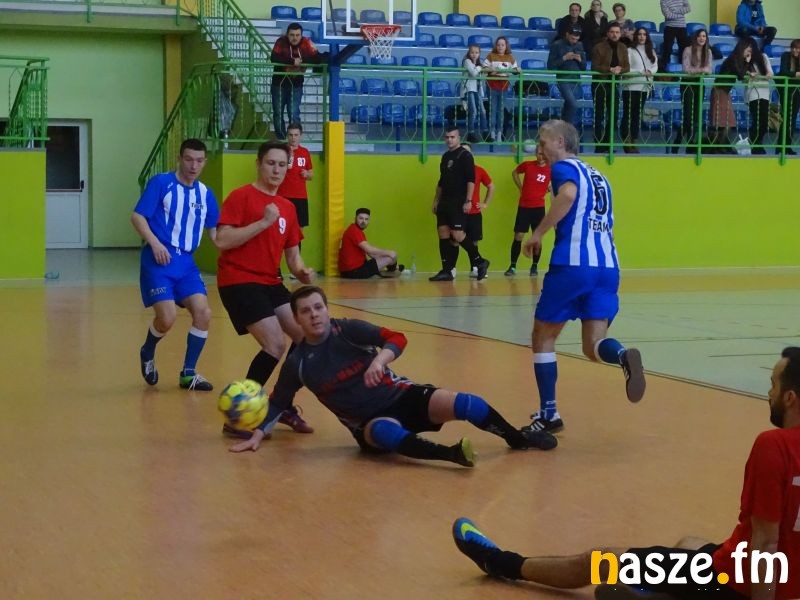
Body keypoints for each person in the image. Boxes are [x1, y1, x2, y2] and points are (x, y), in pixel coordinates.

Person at [453, 346, 800, 600]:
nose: (768, 392)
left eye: (773, 384)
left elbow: (765, 544)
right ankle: (658, 591)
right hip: (763, 574)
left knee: (598, 562)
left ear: (789, 398)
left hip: (732, 582)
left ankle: (501, 562)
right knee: (691, 543)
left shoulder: (775, 445)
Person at [227, 286, 558, 463]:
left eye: (318, 307)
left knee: (469, 404)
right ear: (297, 319)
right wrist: (258, 433)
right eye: (305, 311)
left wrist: (379, 361)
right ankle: (451, 455)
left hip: (401, 396)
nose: (314, 315)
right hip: (368, 423)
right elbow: (279, 401)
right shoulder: (298, 363)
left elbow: (396, 338)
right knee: (385, 432)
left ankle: (518, 439)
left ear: (327, 309)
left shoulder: (348, 330)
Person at [520, 120, 644, 433]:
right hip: (608, 268)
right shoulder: (599, 175)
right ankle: (622, 355)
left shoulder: (563, 168)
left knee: (543, 336)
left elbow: (568, 196)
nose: (539, 149)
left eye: (543, 142)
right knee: (593, 346)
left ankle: (549, 413)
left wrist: (538, 233)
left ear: (560, 142)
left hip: (573, 264)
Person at [215, 140, 316, 434]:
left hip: (271, 281)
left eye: (282, 165)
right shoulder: (241, 197)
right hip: (238, 280)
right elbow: (222, 240)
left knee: (307, 336)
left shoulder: (288, 207)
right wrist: (262, 222)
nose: (276, 170)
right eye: (271, 163)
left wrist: (302, 271)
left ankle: (281, 404)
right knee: (274, 345)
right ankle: (239, 418)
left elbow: (293, 257)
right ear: (258, 164)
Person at [132, 139, 220, 391]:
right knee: (167, 318)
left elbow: (216, 233)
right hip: (159, 260)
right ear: (179, 159)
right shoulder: (162, 183)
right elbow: (137, 216)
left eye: (199, 161)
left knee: (203, 313)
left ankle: (188, 374)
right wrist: (155, 243)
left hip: (186, 264)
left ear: (205, 162)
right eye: (189, 159)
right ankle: (148, 350)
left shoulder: (205, 194)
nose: (194, 165)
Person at [429, 127, 490, 282]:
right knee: (443, 233)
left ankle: (480, 261)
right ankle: (446, 270)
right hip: (445, 201)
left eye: (452, 137)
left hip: (458, 201)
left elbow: (471, 180)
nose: (449, 140)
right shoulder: (445, 156)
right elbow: (441, 181)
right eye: (447, 137)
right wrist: (436, 200)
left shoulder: (465, 156)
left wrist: (468, 201)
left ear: (458, 138)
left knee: (457, 235)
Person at [270, 23, 323, 140]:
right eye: (292, 35)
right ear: (287, 35)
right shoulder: (281, 42)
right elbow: (274, 58)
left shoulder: (306, 42)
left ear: (301, 35)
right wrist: (292, 61)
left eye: (297, 35)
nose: (295, 38)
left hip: (296, 84)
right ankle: (282, 140)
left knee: (294, 113)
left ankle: (294, 140)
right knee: (278, 113)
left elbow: (318, 58)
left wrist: (302, 60)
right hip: (279, 84)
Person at [505, 145, 551, 277]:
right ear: (535, 153)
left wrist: (548, 189)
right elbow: (515, 173)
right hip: (524, 207)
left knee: (537, 238)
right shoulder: (527, 165)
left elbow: (558, 184)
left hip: (538, 208)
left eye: (543, 154)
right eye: (539, 153)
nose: (540, 157)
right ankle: (513, 266)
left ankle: (534, 266)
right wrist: (520, 187)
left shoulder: (551, 169)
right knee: (518, 236)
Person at [672, 28, 713, 154]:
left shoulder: (708, 52)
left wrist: (699, 71)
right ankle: (677, 142)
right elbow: (686, 69)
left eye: (704, 36)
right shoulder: (688, 50)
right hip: (687, 84)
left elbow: (709, 70)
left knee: (696, 118)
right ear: (695, 38)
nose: (702, 38)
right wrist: (701, 70)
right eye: (699, 36)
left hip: (699, 84)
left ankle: (690, 146)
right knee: (688, 117)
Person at [591, 23, 630, 150]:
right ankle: (598, 144)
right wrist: (610, 69)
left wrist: (619, 69)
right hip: (600, 85)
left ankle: (607, 143)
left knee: (613, 115)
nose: (614, 34)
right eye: (612, 32)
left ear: (620, 34)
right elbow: (594, 67)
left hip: (614, 85)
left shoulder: (623, 47)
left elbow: (627, 67)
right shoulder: (598, 47)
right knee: (599, 115)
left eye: (617, 32)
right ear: (608, 33)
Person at [620, 27, 659, 153]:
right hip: (631, 86)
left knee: (637, 115)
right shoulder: (630, 50)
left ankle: (634, 140)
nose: (642, 37)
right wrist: (640, 72)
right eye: (640, 34)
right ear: (636, 36)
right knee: (628, 114)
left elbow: (655, 66)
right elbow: (626, 68)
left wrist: (650, 71)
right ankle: (626, 140)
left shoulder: (651, 51)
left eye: (644, 34)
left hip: (644, 87)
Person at [338, 208, 403, 279]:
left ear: (368, 221)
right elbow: (370, 250)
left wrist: (382, 258)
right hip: (354, 271)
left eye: (366, 219)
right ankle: (394, 268)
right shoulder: (354, 231)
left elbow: (370, 253)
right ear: (355, 218)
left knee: (389, 257)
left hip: (352, 270)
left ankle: (393, 268)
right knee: (390, 257)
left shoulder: (355, 230)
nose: (363, 221)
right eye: (361, 218)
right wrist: (389, 253)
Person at [461, 143, 494, 277]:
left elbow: (491, 186)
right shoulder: (454, 171)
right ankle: (451, 269)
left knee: (473, 241)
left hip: (474, 212)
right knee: (455, 240)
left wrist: (485, 203)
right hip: (458, 212)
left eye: (468, 152)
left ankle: (475, 267)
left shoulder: (479, 170)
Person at [482, 36, 520, 143]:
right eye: (498, 45)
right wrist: (491, 70)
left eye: (502, 45)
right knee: (493, 110)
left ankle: (499, 132)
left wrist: (518, 70)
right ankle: (492, 132)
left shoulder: (510, 57)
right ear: (496, 46)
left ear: (506, 46)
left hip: (503, 87)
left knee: (501, 110)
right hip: (492, 86)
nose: (500, 47)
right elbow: (484, 68)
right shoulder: (491, 55)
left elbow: (515, 69)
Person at [277, 122, 313, 234]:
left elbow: (311, 174)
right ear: (287, 136)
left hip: (300, 196)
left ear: (300, 136)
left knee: (299, 229)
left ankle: (297, 247)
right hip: (283, 195)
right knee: (281, 227)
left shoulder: (305, 152)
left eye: (296, 135)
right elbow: (278, 170)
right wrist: (289, 158)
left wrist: (307, 174)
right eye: (291, 135)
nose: (293, 138)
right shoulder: (281, 151)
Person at [547, 25, 586, 126]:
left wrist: (580, 60)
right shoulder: (557, 45)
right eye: (572, 38)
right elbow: (550, 66)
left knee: (569, 106)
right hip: (563, 80)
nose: (574, 41)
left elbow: (584, 67)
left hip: (576, 80)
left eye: (577, 39)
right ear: (567, 34)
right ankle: (568, 129)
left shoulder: (579, 45)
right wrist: (564, 58)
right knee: (573, 104)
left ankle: (564, 129)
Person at [461, 44, 488, 144]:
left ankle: (485, 132)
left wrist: (483, 71)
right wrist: (480, 68)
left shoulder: (478, 64)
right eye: (472, 52)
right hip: (469, 89)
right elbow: (473, 73)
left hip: (477, 90)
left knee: (483, 111)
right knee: (473, 112)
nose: (474, 54)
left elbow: (481, 77)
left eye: (476, 53)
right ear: (469, 53)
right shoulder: (467, 61)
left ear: (479, 54)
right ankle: (470, 134)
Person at [777, 40, 800, 155]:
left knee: (792, 118)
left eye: (798, 48)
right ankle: (781, 146)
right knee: (786, 118)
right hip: (786, 91)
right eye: (793, 48)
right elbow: (783, 71)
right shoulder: (786, 56)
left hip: (797, 92)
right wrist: (796, 74)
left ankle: (787, 146)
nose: (795, 50)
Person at [659, 0, 691, 72]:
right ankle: (664, 70)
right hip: (669, 27)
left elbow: (688, 9)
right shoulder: (663, 1)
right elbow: (668, 15)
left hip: (682, 26)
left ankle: (683, 69)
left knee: (683, 49)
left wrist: (675, 11)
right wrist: (681, 14)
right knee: (667, 49)